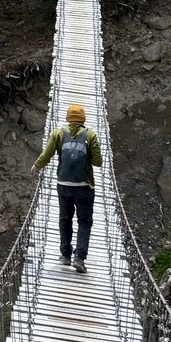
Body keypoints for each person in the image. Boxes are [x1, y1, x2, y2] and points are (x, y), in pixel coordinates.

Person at [32, 104, 103, 273]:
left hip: (63, 185)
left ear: (68, 118)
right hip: (84, 186)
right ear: (83, 119)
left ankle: (65, 255)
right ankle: (79, 257)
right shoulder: (90, 135)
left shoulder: (58, 134)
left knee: (65, 218)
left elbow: (47, 154)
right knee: (84, 221)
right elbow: (98, 162)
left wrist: (37, 166)